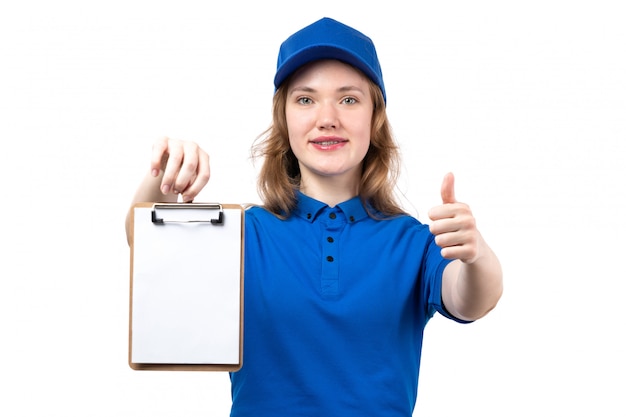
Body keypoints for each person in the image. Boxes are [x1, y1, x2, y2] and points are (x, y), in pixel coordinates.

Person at [125, 17, 503, 417]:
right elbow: (146, 250)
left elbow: (471, 300)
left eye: (348, 99)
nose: (327, 117)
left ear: (374, 119)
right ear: (284, 119)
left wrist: (476, 256)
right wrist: (163, 178)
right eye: (305, 99)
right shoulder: (243, 235)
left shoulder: (413, 243)